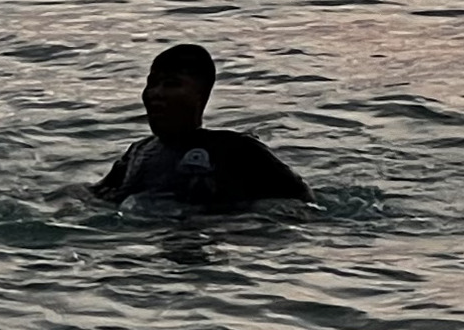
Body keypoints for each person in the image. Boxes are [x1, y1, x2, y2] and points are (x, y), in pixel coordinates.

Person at [91, 43, 312, 213]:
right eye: (151, 83)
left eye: (171, 84)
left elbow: (302, 202)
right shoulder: (139, 152)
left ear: (201, 94)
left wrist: (244, 221)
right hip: (147, 243)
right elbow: (97, 197)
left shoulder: (234, 149)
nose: (155, 93)